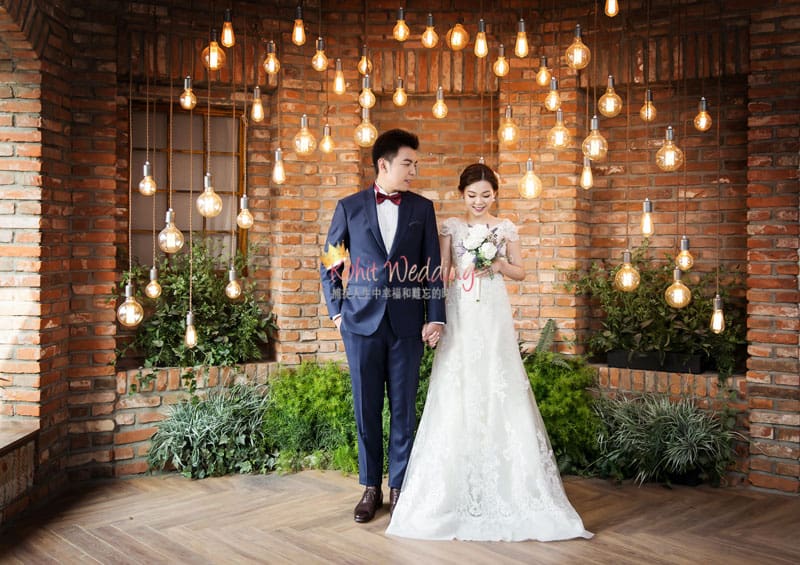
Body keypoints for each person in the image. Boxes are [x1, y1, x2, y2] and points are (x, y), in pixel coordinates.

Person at [386, 163, 593, 541]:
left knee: (498, 385)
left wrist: (496, 262)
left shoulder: (506, 228)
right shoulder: (451, 228)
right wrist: (435, 304)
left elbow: (521, 272)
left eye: (485, 195)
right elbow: (441, 270)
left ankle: (509, 487)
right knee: (457, 387)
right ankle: (452, 489)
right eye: (472, 195)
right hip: (461, 312)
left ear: (495, 194)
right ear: (461, 195)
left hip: (493, 314)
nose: (479, 201)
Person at [320, 129, 446, 524]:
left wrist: (436, 316)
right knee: (367, 408)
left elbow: (432, 269)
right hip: (360, 325)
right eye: (408, 163)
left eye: (416, 164)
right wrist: (337, 312)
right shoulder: (349, 207)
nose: (414, 171)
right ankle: (371, 487)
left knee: (404, 409)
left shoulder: (422, 209)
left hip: (408, 326)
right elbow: (330, 264)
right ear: (384, 164)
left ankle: (399, 489)